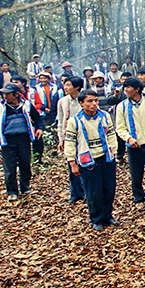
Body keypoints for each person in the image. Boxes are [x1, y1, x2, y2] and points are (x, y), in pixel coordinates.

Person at [65, 89, 118, 231]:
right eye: (90, 101)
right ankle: (96, 218)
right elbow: (69, 142)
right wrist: (72, 162)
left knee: (109, 189)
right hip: (88, 160)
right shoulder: (75, 121)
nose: (94, 104)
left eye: (95, 100)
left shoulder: (104, 116)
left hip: (106, 157)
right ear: (81, 103)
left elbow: (111, 135)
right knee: (93, 191)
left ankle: (107, 216)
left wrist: (114, 151)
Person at [115, 78, 145, 205]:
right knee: (136, 174)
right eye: (124, 87)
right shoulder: (122, 106)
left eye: (128, 87)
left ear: (137, 89)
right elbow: (120, 127)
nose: (125, 90)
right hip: (134, 146)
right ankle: (139, 197)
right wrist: (128, 138)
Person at [0, 83, 43, 201]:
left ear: (16, 94)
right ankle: (12, 191)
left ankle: (25, 187)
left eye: (8, 94)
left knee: (25, 164)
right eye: (4, 93)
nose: (5, 96)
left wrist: (40, 128)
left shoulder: (27, 105)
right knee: (10, 168)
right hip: (8, 141)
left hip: (24, 139)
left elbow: (38, 118)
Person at [57, 76, 86, 204]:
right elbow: (60, 121)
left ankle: (87, 191)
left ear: (77, 87)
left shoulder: (86, 99)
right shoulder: (63, 101)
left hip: (84, 136)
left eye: (68, 85)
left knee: (85, 163)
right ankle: (75, 194)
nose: (65, 87)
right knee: (72, 163)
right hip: (69, 135)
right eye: (65, 85)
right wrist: (61, 139)